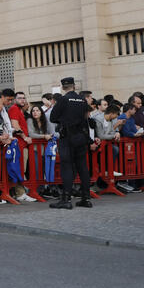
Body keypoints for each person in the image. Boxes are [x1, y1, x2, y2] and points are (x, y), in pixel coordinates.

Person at [49, 77, 93, 209]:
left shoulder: (63, 99)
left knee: (67, 166)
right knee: (82, 167)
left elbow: (53, 118)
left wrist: (65, 120)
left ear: (63, 87)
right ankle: (86, 198)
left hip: (67, 137)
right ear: (74, 86)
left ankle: (66, 199)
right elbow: (86, 116)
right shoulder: (82, 99)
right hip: (81, 136)